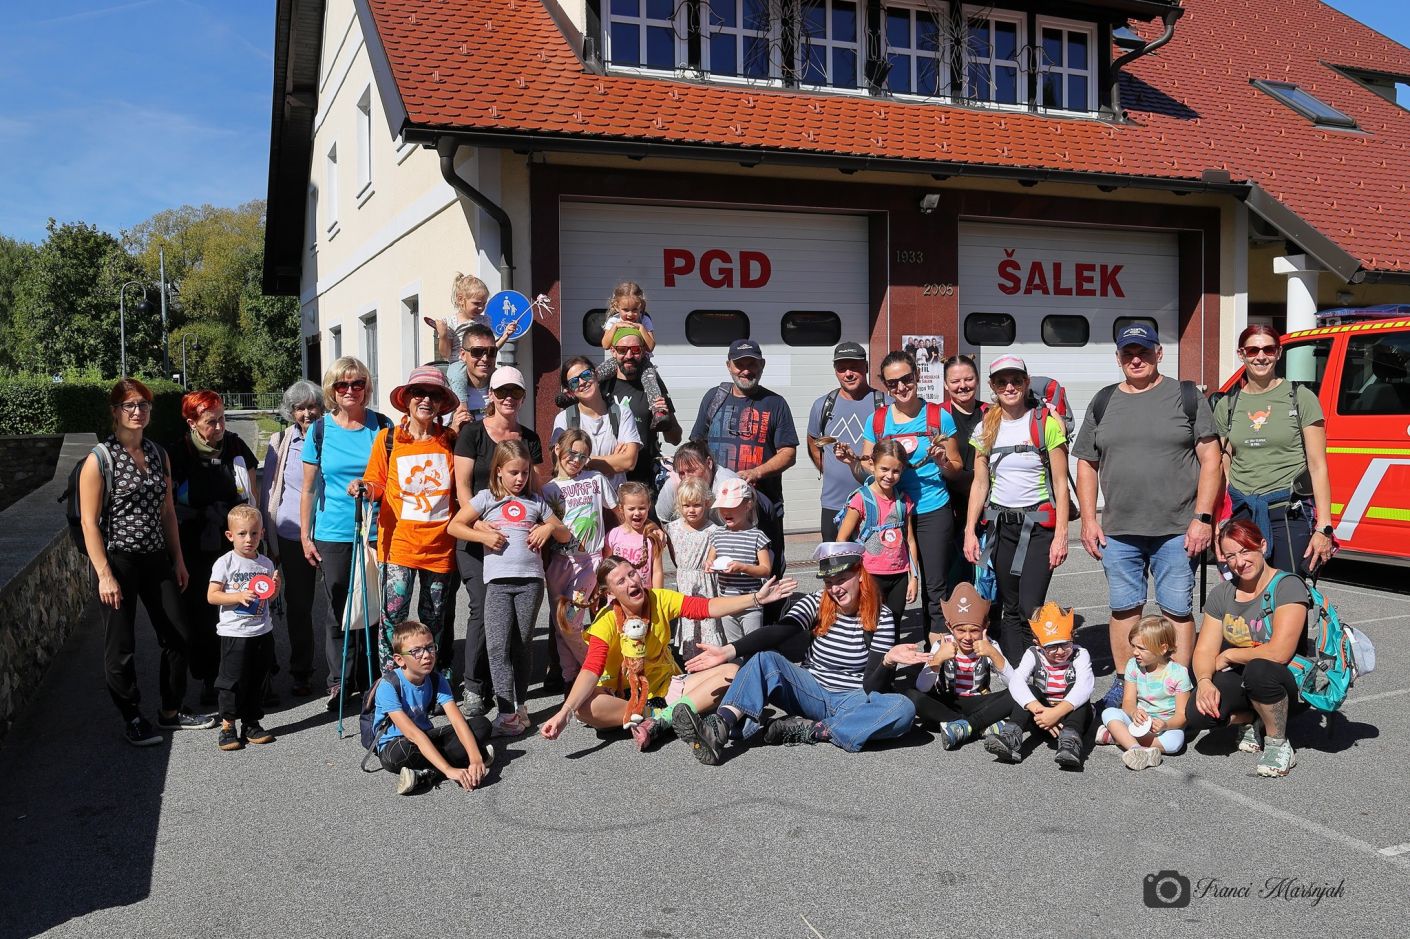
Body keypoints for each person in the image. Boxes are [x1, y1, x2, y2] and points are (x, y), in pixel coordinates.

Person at [1071, 323, 1221, 710]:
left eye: (1143, 352)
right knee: (1124, 609)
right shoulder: (1104, 401)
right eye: (1128, 353)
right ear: (1118, 358)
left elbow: (1211, 459)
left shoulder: (1186, 396)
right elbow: (1086, 462)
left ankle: (1177, 687)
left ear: (1159, 353)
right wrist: (1088, 519)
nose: (1135, 359)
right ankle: (1126, 682)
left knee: (1177, 610)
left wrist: (1203, 518)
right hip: (1119, 531)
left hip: (1177, 528)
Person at [674, 542, 928, 762]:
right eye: (829, 582)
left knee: (903, 709)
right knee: (764, 659)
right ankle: (718, 728)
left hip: (853, 699)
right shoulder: (818, 601)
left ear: (860, 575)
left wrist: (887, 661)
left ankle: (814, 730)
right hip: (811, 690)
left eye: (841, 580)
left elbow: (872, 687)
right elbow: (780, 631)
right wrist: (727, 652)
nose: (835, 589)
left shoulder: (882, 616)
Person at [540, 557, 797, 751]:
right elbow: (591, 669)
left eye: (632, 573)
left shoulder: (659, 598)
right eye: (621, 581)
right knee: (584, 708)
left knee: (731, 672)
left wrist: (756, 599)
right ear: (610, 593)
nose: (632, 582)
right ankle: (659, 717)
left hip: (667, 688)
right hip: (621, 698)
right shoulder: (605, 622)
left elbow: (706, 607)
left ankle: (662, 720)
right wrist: (564, 713)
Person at [81, 379, 212, 745]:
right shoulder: (100, 459)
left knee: (178, 634)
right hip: (118, 561)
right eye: (129, 405)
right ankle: (132, 716)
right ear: (115, 411)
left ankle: (170, 710)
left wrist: (178, 559)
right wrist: (104, 575)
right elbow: (90, 523)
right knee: (121, 646)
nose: (137, 411)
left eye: (143, 404)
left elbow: (168, 511)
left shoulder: (158, 453)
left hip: (156, 558)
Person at [448, 440, 570, 737]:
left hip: (530, 582)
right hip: (498, 583)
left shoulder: (536, 501)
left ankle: (519, 706)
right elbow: (454, 526)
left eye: (525, 472)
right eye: (514, 472)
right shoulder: (486, 498)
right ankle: (506, 713)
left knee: (522, 645)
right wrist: (483, 536)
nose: (520, 479)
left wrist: (549, 527)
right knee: (497, 646)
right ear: (499, 471)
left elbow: (565, 535)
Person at [839, 350, 962, 643]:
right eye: (892, 383)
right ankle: (881, 650)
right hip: (890, 513)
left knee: (935, 587)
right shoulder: (878, 420)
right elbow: (868, 469)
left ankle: (937, 656)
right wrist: (852, 461)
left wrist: (943, 461)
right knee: (884, 582)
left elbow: (957, 469)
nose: (901, 387)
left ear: (917, 376)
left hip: (932, 508)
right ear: (885, 385)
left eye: (906, 379)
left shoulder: (939, 417)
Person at [962, 355, 1071, 665]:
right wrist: (970, 531)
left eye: (1015, 380)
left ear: (1026, 382)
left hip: (1038, 529)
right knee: (1009, 607)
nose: (1009, 387)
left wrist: (1061, 535)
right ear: (993, 386)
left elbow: (1061, 484)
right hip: (1002, 527)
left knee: (1029, 607)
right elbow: (980, 484)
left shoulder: (1045, 423)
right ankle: (1016, 675)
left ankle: (1037, 670)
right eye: (1001, 382)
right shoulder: (986, 425)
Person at [300, 357, 393, 710]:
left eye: (357, 384)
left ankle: (373, 677)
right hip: (334, 531)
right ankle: (340, 680)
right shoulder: (319, 431)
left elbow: (393, 479)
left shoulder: (382, 426)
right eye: (342, 384)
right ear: (332, 390)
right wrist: (306, 536)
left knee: (373, 602)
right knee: (340, 604)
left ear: (366, 387)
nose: (350, 390)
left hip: (375, 529)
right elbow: (309, 488)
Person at [452, 365, 545, 717]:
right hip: (477, 533)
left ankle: (506, 690)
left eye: (515, 392)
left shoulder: (529, 438)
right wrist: (481, 528)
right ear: (490, 394)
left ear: (523, 397)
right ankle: (475, 686)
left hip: (514, 539)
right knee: (482, 608)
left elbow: (535, 489)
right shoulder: (472, 433)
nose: (508, 398)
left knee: (515, 628)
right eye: (502, 391)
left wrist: (543, 526)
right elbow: (462, 486)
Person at [1184, 518, 1310, 778]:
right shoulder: (1222, 593)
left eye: (1245, 551)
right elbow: (1204, 650)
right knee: (1198, 714)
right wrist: (1205, 682)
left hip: (1283, 679)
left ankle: (1278, 742)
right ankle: (1252, 718)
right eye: (1231, 556)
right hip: (1242, 675)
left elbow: (1279, 652)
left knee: (1259, 670)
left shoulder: (1287, 585)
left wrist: (1230, 654)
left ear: (1262, 546)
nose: (1239, 562)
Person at [360, 366, 460, 678]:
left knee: (434, 620)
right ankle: (392, 681)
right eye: (419, 393)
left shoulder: (451, 441)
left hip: (440, 546)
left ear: (442, 403)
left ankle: (427, 681)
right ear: (407, 399)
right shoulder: (388, 439)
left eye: (434, 395)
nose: (426, 400)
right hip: (398, 546)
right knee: (393, 618)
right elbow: (376, 483)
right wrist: (364, 488)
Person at [1214, 324, 1335, 577]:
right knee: (1244, 591)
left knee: (1289, 590)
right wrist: (1218, 523)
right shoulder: (1227, 404)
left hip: (1289, 512)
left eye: (1268, 349)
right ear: (1241, 354)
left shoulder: (1301, 398)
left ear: (1278, 353)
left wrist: (1324, 527)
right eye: (1253, 350)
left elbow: (1318, 465)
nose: (1261, 356)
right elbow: (1222, 468)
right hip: (1242, 510)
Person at [169, 390, 259, 706]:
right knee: (201, 613)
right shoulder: (177, 454)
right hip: (195, 545)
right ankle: (210, 677)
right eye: (211, 422)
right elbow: (168, 506)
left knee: (245, 605)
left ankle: (252, 675)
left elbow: (252, 496)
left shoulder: (236, 447)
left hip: (236, 544)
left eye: (222, 419)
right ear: (192, 422)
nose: (220, 427)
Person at [690, 338, 799, 570]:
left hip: (761, 506)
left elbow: (788, 453)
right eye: (740, 364)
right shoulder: (713, 398)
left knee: (767, 570)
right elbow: (696, 447)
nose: (746, 370)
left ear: (762, 365)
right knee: (717, 569)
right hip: (718, 507)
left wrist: (756, 472)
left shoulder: (775, 403)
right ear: (729, 366)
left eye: (752, 364)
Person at [373, 620, 495, 796]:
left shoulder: (437, 679)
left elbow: (458, 722)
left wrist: (475, 759)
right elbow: (412, 734)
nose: (426, 655)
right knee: (400, 754)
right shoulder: (388, 686)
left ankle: (424, 775)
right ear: (400, 660)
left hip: (426, 737)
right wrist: (448, 769)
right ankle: (446, 767)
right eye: (416, 651)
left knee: (481, 725)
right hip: (398, 745)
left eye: (430, 647)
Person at [260, 379, 324, 696]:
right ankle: (302, 671)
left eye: (312, 406)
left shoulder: (333, 437)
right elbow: (269, 490)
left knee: (341, 604)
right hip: (290, 534)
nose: (307, 413)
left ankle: (344, 670)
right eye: (300, 408)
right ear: (291, 411)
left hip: (328, 532)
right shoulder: (281, 441)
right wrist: (269, 540)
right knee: (299, 606)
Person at [542, 429, 618, 684]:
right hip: (559, 563)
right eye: (572, 453)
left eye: (583, 456)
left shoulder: (595, 479)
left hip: (588, 562)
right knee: (560, 626)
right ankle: (570, 679)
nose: (576, 460)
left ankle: (595, 672)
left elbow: (617, 512)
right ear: (557, 449)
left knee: (569, 622)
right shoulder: (548, 489)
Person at [983, 602, 1094, 769]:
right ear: (1038, 643)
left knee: (1076, 689)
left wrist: (1056, 713)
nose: (1060, 651)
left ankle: (1070, 744)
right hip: (1042, 719)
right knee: (1030, 690)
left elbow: (1085, 686)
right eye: (1051, 647)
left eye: (1065, 643)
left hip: (1072, 718)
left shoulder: (1080, 654)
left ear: (1072, 636)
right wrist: (1038, 710)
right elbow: (1016, 682)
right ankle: (1011, 738)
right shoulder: (1033, 653)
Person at [206, 505, 279, 752]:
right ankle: (228, 725)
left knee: (257, 678)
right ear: (230, 535)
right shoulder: (225, 563)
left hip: (262, 631)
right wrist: (237, 596)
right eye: (242, 534)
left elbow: (268, 597)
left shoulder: (266, 563)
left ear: (262, 534)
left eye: (254, 533)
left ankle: (251, 722)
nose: (249, 539)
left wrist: (275, 589)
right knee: (231, 681)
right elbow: (212, 596)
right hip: (234, 633)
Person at [907, 583, 1011, 750]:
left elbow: (1014, 685)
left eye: (974, 630)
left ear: (985, 626)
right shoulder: (941, 644)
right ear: (949, 627)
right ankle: (980, 725)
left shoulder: (990, 645)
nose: (967, 637)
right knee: (911, 695)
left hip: (979, 701)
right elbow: (922, 687)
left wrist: (994, 654)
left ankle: (961, 727)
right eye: (961, 630)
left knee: (1026, 692)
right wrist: (938, 659)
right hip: (949, 702)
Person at [835, 439, 918, 630]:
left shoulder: (903, 501)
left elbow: (910, 541)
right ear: (872, 465)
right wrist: (850, 574)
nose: (889, 476)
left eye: (896, 471)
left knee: (893, 627)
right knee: (870, 625)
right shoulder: (860, 499)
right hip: (869, 574)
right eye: (884, 469)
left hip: (899, 575)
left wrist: (914, 578)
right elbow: (842, 539)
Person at [807, 341, 886, 540]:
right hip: (834, 505)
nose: (848, 374)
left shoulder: (885, 404)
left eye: (854, 367)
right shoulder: (822, 405)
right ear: (835, 371)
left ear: (866, 367)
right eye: (842, 368)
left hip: (876, 502)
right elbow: (813, 441)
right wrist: (829, 470)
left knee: (875, 560)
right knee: (835, 559)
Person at [1098, 614, 1192, 771]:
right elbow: (1128, 702)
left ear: (1162, 648)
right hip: (1138, 722)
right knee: (1109, 713)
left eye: (1141, 648)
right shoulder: (1133, 665)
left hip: (1165, 726)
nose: (1135, 652)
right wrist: (1134, 712)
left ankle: (1119, 737)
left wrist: (1166, 725)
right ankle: (1136, 749)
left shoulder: (1178, 674)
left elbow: (1182, 716)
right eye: (1133, 646)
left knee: (1175, 743)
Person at [598, 329, 681, 494]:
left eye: (635, 350)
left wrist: (667, 420)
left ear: (643, 351)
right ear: (613, 351)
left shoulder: (653, 386)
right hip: (605, 478)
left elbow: (675, 438)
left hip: (643, 480)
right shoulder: (601, 386)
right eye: (622, 350)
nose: (629, 355)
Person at [550, 355, 641, 486]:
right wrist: (613, 461)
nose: (582, 382)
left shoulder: (622, 413)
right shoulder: (564, 419)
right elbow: (560, 463)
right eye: (574, 382)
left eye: (586, 375)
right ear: (570, 391)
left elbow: (629, 462)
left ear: (596, 375)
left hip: (615, 496)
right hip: (580, 496)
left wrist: (580, 460)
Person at [590, 281, 670, 428]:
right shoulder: (614, 320)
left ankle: (658, 413)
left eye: (634, 310)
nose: (630, 314)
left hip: (642, 360)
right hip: (618, 360)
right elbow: (605, 344)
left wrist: (641, 328)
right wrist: (615, 327)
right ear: (616, 306)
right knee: (599, 373)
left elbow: (650, 346)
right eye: (625, 310)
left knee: (651, 382)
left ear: (641, 306)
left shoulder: (644, 320)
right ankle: (574, 391)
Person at [704, 478, 772, 643]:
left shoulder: (757, 536)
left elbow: (765, 570)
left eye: (732, 507)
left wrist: (743, 567)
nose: (726, 512)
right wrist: (709, 565)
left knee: (754, 644)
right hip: (726, 603)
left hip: (751, 604)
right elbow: (710, 559)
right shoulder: (717, 535)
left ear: (748, 505)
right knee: (734, 646)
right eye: (722, 507)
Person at [663, 477, 722, 658]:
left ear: (706, 503)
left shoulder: (714, 530)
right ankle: (691, 661)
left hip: (705, 584)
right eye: (686, 505)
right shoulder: (672, 529)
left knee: (708, 622)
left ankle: (711, 659)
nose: (691, 510)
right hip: (685, 582)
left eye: (696, 505)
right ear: (679, 505)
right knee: (689, 622)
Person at [940, 355, 986, 583]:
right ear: (945, 384)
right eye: (955, 381)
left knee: (986, 578)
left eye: (968, 379)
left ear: (977, 380)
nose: (962, 386)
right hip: (948, 510)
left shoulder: (992, 413)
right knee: (951, 579)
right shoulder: (937, 415)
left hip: (986, 508)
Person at [430, 273, 509, 406]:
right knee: (457, 377)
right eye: (476, 303)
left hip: (480, 363)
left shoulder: (485, 320)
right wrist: (443, 335)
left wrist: (505, 336)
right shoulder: (451, 322)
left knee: (499, 377)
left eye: (484, 304)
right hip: (458, 362)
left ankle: (495, 405)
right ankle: (461, 406)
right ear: (461, 299)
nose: (481, 308)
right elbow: (445, 354)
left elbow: (491, 349)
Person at [606, 481, 666, 591]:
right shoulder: (613, 536)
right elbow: (606, 569)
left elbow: (657, 571)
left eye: (642, 508)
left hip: (645, 595)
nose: (637, 513)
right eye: (631, 509)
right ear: (621, 508)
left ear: (649, 507)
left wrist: (658, 596)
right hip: (619, 595)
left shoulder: (652, 537)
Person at [449, 322, 499, 427]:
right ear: (463, 355)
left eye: (491, 351)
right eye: (477, 352)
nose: (485, 358)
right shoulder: (448, 394)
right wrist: (453, 429)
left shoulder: (504, 390)